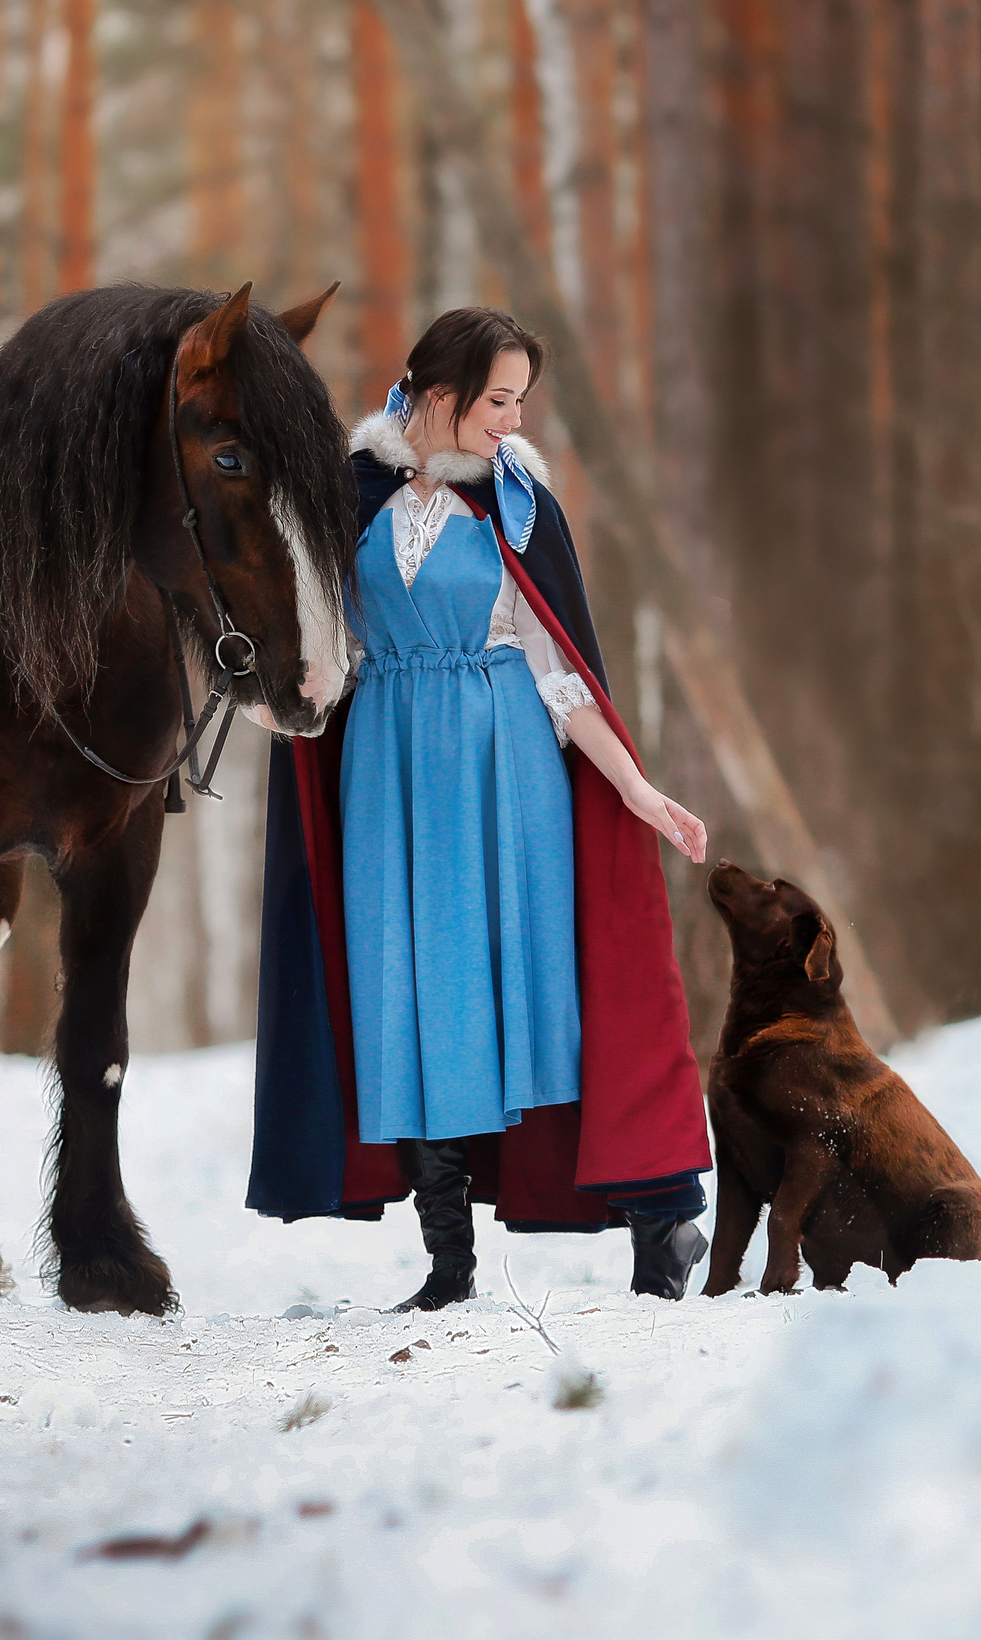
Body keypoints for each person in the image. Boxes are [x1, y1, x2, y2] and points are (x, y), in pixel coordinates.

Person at [248, 307, 716, 1309]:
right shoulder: (349, 496)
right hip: (386, 768)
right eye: (496, 402)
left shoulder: (516, 503)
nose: (509, 423)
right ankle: (448, 1265)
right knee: (404, 999)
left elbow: (559, 671)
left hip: (506, 768)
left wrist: (634, 787)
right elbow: (325, 652)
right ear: (436, 392)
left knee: (547, 993)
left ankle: (657, 1220)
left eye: (518, 404)